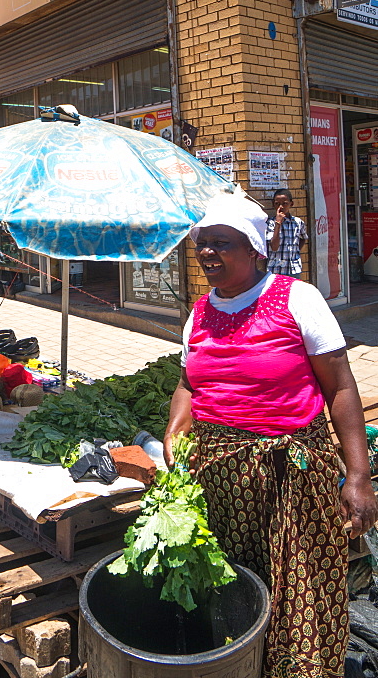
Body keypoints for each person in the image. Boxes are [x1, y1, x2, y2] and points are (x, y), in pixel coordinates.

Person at [163, 190, 378, 678]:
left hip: (293, 475)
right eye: (202, 243)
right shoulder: (199, 313)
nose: (207, 253)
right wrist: (177, 426)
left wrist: (359, 478)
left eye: (223, 243)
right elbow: (187, 382)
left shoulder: (296, 298)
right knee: (238, 586)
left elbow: (341, 385)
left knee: (300, 588)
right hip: (221, 480)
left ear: (256, 250)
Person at [266, 187, 308, 277]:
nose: (281, 207)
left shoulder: (298, 223)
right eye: (277, 204)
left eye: (284, 204)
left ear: (291, 204)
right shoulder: (270, 224)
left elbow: (303, 238)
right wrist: (278, 224)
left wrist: (295, 250)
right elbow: (274, 247)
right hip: (276, 269)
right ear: (273, 204)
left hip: (294, 269)